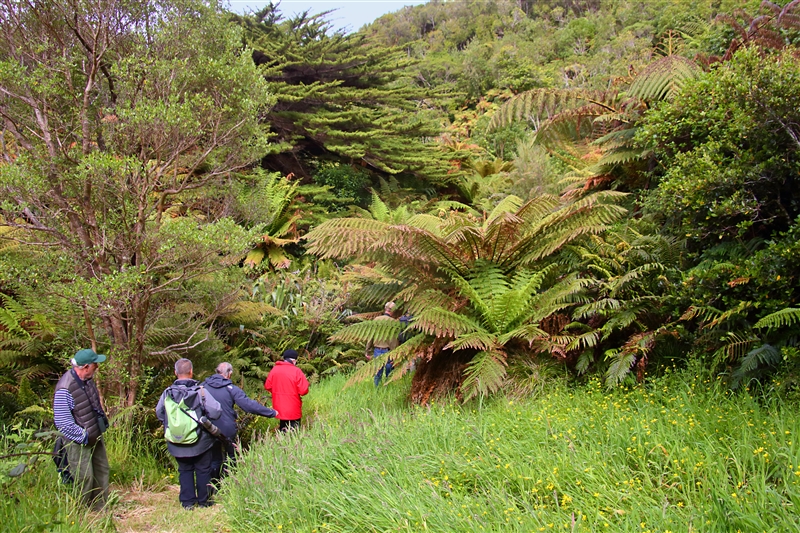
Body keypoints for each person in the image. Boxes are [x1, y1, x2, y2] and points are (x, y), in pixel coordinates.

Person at [156, 358, 222, 510]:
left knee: (184, 469)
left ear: (175, 373)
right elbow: (216, 411)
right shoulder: (200, 391)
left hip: (176, 441)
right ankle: (204, 501)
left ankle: (187, 502)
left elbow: (160, 413)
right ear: (191, 372)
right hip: (201, 440)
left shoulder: (167, 393)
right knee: (203, 469)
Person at [53, 348, 111, 511]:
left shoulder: (88, 380)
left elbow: (94, 406)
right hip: (78, 441)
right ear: (86, 366)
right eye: (95, 365)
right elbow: (63, 423)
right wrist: (83, 436)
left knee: (102, 470)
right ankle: (81, 513)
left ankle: (100, 508)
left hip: (95, 434)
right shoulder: (65, 388)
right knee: (84, 477)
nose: (97, 367)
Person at [202, 362, 278, 481]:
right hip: (227, 429)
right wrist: (271, 412)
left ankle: (213, 488)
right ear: (229, 374)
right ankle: (230, 483)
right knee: (231, 456)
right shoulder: (231, 389)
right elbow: (248, 405)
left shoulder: (202, 387)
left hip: (207, 428)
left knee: (214, 459)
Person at [264, 349, 309, 432]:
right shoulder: (296, 371)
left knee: (283, 431)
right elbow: (303, 390)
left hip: (279, 407)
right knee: (294, 434)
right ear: (294, 360)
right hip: (293, 408)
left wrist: (277, 392)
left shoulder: (275, 370)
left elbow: (268, 386)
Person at [365, 301, 399, 386]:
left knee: (377, 373)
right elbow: (394, 341)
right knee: (389, 374)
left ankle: (377, 391)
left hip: (377, 351)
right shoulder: (393, 323)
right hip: (389, 352)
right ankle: (387, 390)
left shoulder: (376, 320)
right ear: (392, 311)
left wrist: (367, 351)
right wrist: (396, 355)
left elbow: (370, 337)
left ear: (385, 309)